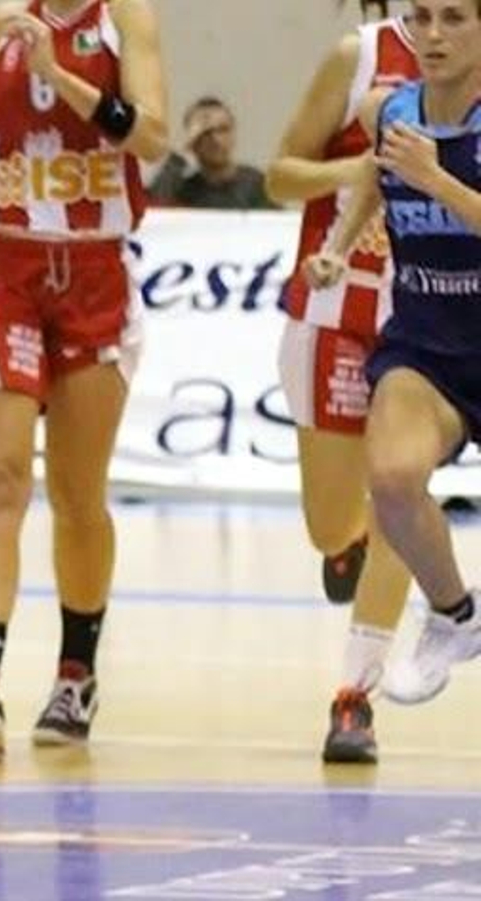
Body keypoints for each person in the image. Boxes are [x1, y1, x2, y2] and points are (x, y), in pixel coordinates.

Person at [0, 0, 168, 762]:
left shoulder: (127, 17)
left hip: (95, 267)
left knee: (77, 494)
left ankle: (76, 674)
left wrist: (57, 75)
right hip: (2, 265)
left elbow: (153, 134)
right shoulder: (3, 19)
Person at [305, 0, 481, 715]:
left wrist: (439, 180)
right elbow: (380, 181)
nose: (434, 36)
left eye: (455, 19)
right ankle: (454, 614)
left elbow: (421, 176)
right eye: (423, 18)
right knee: (393, 478)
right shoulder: (389, 109)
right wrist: (338, 249)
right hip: (427, 345)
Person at [266, 0, 418, 764]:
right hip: (336, 307)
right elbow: (279, 174)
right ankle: (343, 543)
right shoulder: (358, 56)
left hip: (429, 319)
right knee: (333, 521)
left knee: (400, 490)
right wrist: (355, 168)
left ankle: (355, 697)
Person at [150, 96, 276, 209]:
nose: (216, 139)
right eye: (206, 132)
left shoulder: (257, 184)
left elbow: (280, 227)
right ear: (193, 140)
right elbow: (150, 213)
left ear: (233, 134)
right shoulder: (183, 189)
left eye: (223, 129)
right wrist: (180, 151)